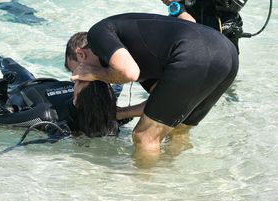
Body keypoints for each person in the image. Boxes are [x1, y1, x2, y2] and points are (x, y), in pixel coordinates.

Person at [65, 13, 238, 156]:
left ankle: (146, 194)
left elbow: (129, 73)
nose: (82, 79)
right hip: (226, 52)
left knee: (144, 136)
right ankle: (174, 183)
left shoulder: (97, 34)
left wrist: (95, 74)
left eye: (78, 74)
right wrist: (120, 113)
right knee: (178, 128)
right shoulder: (138, 54)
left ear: (81, 54)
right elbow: (162, 103)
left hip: (192, 54)